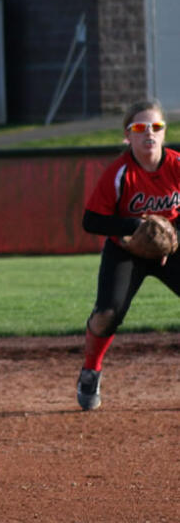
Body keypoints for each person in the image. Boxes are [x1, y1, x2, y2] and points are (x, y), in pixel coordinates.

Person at [76, 98, 180, 410]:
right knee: (107, 314)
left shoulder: (177, 166)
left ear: (163, 133)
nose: (149, 133)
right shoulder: (119, 174)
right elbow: (91, 221)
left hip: (172, 247)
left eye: (156, 127)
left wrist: (171, 239)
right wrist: (135, 226)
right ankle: (91, 371)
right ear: (128, 136)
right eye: (139, 127)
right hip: (126, 250)